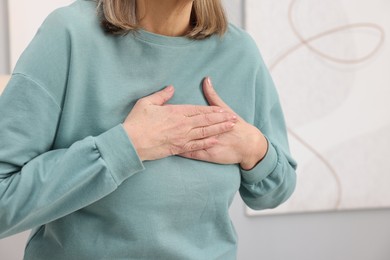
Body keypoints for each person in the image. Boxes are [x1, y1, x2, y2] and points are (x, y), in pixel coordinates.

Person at [0, 0, 297, 259]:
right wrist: (127, 146)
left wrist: (254, 149)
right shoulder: (69, 34)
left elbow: (275, 191)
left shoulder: (239, 52)